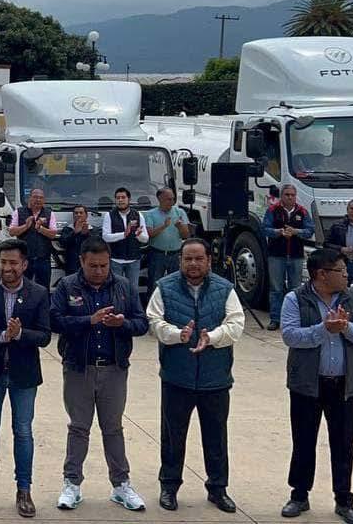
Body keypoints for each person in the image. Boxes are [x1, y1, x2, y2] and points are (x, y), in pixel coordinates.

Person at [50, 237, 149, 512]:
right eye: (93, 265)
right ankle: (72, 483)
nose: (99, 271)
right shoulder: (67, 286)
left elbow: (142, 323)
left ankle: (121, 485)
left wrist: (122, 324)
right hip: (78, 368)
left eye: (104, 265)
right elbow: (54, 321)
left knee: (113, 428)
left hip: (114, 369)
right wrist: (88, 321)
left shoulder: (124, 286)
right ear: (81, 261)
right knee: (79, 427)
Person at [145, 238, 244, 513]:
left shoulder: (225, 289)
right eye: (188, 258)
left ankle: (218, 489)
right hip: (177, 377)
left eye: (199, 258)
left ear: (209, 261)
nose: (193, 264)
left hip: (215, 379)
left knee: (216, 437)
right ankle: (169, 487)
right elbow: (154, 322)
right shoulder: (164, 288)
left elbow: (236, 325)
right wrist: (178, 335)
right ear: (180, 261)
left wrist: (211, 337)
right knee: (172, 436)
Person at [279, 249, 353, 524]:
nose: (346, 275)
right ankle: (299, 495)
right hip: (307, 385)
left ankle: (344, 500)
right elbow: (290, 336)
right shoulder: (295, 299)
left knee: (344, 445)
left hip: (344, 386)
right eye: (341, 270)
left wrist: (346, 328)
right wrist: (324, 329)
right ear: (322, 274)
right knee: (303, 442)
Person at [0, 239, 52, 518]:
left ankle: (24, 491)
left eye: (13, 263)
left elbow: (45, 336)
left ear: (24, 265)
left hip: (23, 375)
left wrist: (20, 334)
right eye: (3, 262)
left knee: (23, 432)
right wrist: (3, 336)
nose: (7, 268)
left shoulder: (38, 293)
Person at [263, 184, 314, 330]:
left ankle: (293, 318)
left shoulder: (302, 211)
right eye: (287, 195)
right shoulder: (272, 210)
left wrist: (296, 232)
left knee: (295, 288)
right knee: (276, 289)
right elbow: (264, 229)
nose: (290, 197)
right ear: (281, 196)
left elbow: (310, 230)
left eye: (292, 195)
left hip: (296, 255)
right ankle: (275, 319)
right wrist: (279, 232)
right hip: (276, 255)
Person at [8, 188, 59, 288]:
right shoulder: (19, 212)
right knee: (23, 287)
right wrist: (26, 226)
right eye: (35, 197)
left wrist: (40, 228)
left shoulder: (49, 213)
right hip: (25, 259)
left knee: (43, 288)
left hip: (43, 259)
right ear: (30, 198)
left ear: (44, 200)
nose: (38, 200)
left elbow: (53, 234)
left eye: (40, 198)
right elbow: (11, 232)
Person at [102, 187, 148, 293]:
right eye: (118, 198)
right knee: (116, 289)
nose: (120, 200)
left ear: (129, 199)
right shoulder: (109, 215)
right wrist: (123, 234)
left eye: (123, 197)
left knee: (133, 290)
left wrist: (139, 235)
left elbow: (145, 239)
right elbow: (105, 237)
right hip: (115, 260)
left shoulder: (138, 215)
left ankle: (132, 305)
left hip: (133, 260)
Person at [143, 187, 191, 285]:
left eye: (173, 199)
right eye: (169, 199)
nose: (172, 202)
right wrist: (164, 226)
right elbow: (150, 234)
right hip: (157, 255)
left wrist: (180, 227)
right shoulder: (150, 214)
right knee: (154, 283)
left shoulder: (180, 212)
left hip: (175, 255)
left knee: (176, 284)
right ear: (160, 199)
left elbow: (186, 235)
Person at [58, 205, 94, 277]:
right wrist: (74, 233)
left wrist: (86, 234)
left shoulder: (93, 230)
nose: (78, 215)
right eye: (76, 213)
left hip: (89, 264)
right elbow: (63, 243)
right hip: (71, 266)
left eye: (81, 213)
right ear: (73, 215)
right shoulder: (67, 229)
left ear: (86, 215)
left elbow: (96, 246)